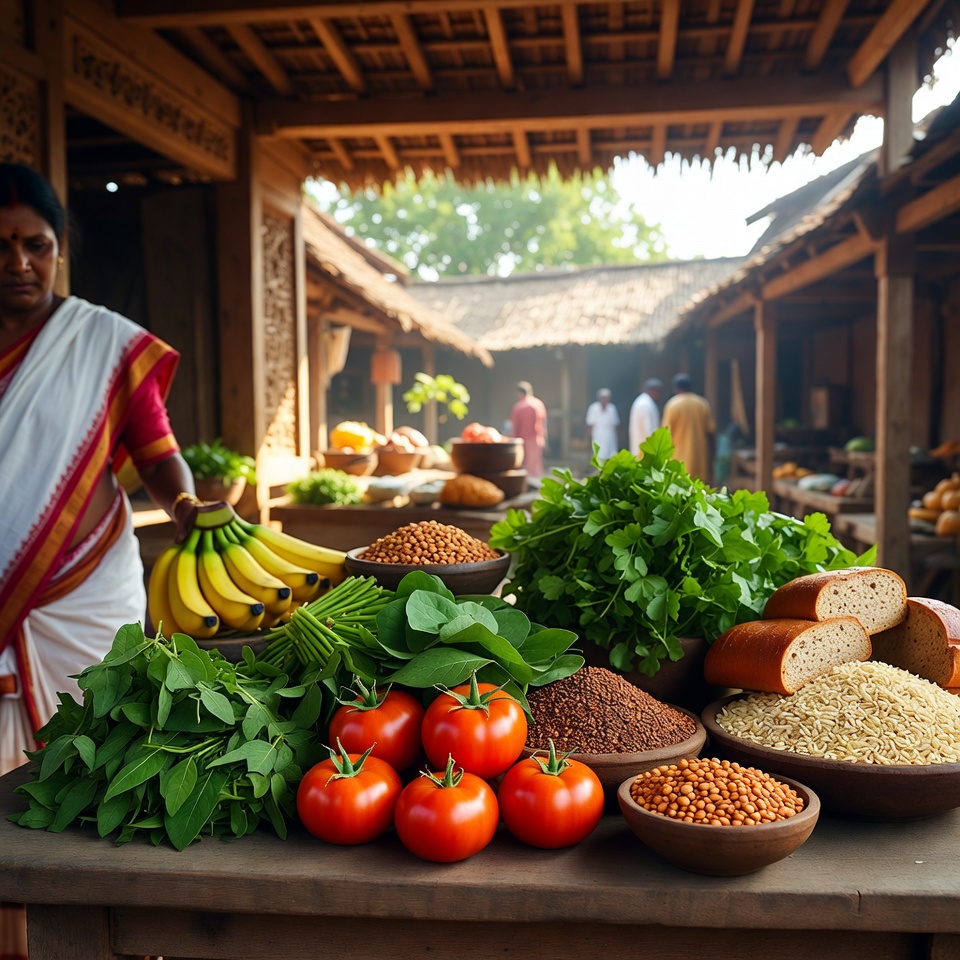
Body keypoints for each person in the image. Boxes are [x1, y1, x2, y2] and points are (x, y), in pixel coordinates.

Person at [661, 372, 716, 483]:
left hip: (678, 460)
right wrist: (713, 454)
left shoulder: (672, 405)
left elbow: (665, 434)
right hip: (700, 458)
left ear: (675, 389)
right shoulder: (702, 404)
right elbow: (711, 432)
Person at [508, 380, 548, 478]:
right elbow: (544, 423)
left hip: (523, 439)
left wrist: (511, 440)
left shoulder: (519, 406)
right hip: (537, 439)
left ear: (519, 393)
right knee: (536, 465)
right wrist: (545, 438)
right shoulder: (539, 404)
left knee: (525, 466)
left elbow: (514, 426)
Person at [585, 387, 621, 462]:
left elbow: (616, 424)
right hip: (598, 436)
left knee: (611, 456)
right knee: (599, 455)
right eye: (603, 398)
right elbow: (590, 425)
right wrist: (589, 438)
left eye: (606, 398)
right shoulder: (593, 408)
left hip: (610, 437)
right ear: (599, 398)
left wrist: (618, 438)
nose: (605, 400)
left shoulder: (612, 408)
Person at [628, 378, 663, 454]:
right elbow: (649, 430)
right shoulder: (645, 404)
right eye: (659, 392)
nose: (659, 395)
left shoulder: (646, 401)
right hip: (645, 450)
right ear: (653, 391)